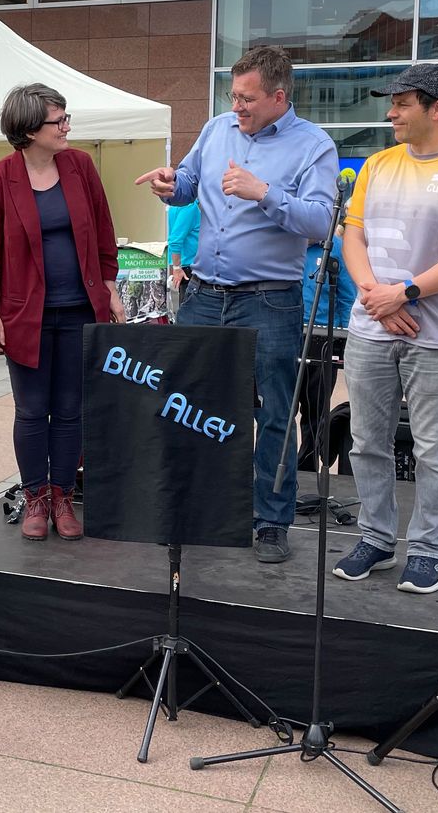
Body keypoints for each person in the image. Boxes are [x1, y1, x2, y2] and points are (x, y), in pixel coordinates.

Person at [135, 46, 339, 563]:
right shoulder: (217, 128)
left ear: (278, 96)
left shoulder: (313, 145)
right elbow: (186, 185)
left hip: (269, 301)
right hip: (203, 295)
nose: (237, 106)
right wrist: (168, 185)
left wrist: (264, 192)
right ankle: (196, 507)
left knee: (273, 413)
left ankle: (271, 520)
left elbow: (321, 222)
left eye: (247, 98)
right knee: (186, 408)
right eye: (234, 95)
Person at [332, 64, 438, 595]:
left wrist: (403, 293)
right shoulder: (377, 164)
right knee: (366, 442)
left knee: (432, 449)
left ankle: (428, 550)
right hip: (371, 326)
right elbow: (352, 238)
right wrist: (374, 296)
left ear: (437, 108)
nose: (390, 113)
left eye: (401, 103)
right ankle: (376, 539)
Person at [0, 83, 123, 542]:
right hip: (25, 315)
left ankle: (62, 496)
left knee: (72, 410)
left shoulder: (80, 166)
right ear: (28, 129)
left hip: (80, 309)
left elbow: (102, 227)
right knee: (33, 410)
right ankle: (35, 495)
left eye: (65, 118)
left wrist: (112, 287)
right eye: (58, 121)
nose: (66, 127)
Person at [297, 222, 357, 472]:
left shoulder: (337, 248)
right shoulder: (285, 245)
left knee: (315, 408)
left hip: (322, 337)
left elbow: (346, 296)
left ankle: (307, 465)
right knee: (281, 407)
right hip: (287, 332)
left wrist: (343, 339)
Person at [166, 201, 200, 316]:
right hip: (190, 269)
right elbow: (175, 240)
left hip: (186, 266)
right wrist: (176, 267)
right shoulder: (189, 206)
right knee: (191, 317)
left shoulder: (176, 205)